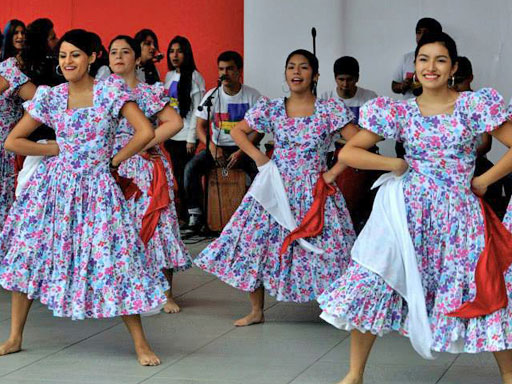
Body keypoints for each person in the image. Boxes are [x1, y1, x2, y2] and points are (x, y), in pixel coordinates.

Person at [318, 32, 512, 384]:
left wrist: (485, 181)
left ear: (453, 67)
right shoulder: (401, 112)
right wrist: (393, 165)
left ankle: (509, 374)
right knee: (373, 278)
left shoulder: (472, 106)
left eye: (440, 60)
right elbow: (349, 152)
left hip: (459, 217)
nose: (430, 67)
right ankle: (354, 373)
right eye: (423, 59)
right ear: (414, 68)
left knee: (483, 286)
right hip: (408, 213)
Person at [0, 29, 167, 366]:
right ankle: (15, 336)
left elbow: (146, 131)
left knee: (117, 259)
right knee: (28, 253)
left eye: (75, 54)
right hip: (52, 190)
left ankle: (141, 344)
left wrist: (115, 160)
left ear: (92, 57)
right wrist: (54, 149)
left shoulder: (110, 92)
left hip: (97, 189)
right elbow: (12, 141)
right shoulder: (50, 97)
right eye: (62, 56)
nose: (67, 62)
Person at [194, 49, 358, 326]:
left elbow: (359, 140)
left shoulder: (330, 110)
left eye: (304, 67)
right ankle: (256, 310)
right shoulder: (271, 108)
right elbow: (237, 132)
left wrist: (334, 171)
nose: (296, 72)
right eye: (291, 67)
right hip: (274, 186)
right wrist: (258, 157)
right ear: (285, 74)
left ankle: (339, 306)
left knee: (332, 247)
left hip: (314, 187)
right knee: (254, 242)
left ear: (315, 75)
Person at [109, 35, 191, 314]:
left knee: (158, 227)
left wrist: (143, 143)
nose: (118, 56)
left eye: (125, 51)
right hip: (110, 166)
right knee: (116, 228)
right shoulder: (101, 91)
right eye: (113, 52)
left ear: (136, 58)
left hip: (145, 167)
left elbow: (175, 122)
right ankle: (116, 287)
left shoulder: (149, 91)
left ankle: (164, 293)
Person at [184, 51, 261, 231]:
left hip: (245, 147)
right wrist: (211, 146)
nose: (224, 73)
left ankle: (257, 217)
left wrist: (243, 150)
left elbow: (260, 129)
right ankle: (196, 215)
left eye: (229, 69)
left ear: (239, 71)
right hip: (217, 147)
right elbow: (200, 126)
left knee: (262, 173)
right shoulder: (212, 96)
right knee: (191, 169)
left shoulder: (253, 96)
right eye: (221, 69)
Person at [163, 35, 205, 222]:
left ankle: (195, 214)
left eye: (179, 51)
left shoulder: (195, 77)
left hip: (186, 137)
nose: (175, 55)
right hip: (171, 135)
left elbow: (199, 110)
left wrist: (191, 137)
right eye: (172, 51)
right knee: (178, 178)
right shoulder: (169, 76)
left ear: (187, 53)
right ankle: (183, 215)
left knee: (188, 176)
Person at [454, 56, 503, 213]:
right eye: (452, 81)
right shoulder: (447, 105)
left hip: (476, 163)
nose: (456, 86)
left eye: (459, 81)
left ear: (471, 78)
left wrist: (465, 157)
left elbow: (486, 144)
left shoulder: (480, 104)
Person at [392, 17, 442, 158]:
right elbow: (394, 86)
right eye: (418, 32)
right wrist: (403, 85)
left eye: (425, 32)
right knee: (403, 158)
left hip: (434, 121)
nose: (421, 36)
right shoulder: (406, 58)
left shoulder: (444, 61)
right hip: (408, 120)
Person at [321, 56, 377, 125]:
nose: (345, 84)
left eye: (349, 79)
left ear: (357, 78)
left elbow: (375, 127)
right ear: (335, 78)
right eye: (341, 79)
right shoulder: (326, 97)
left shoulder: (370, 97)